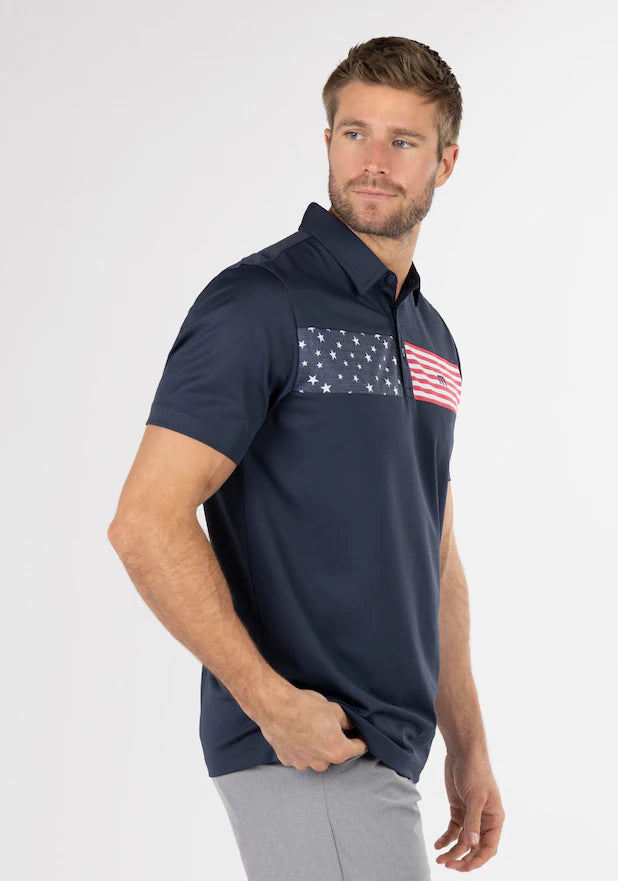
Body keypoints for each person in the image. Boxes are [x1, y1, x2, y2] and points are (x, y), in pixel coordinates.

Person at [108, 35, 504, 880]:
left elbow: (433, 549)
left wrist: (467, 743)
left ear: (446, 162)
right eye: (354, 133)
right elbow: (145, 520)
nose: (373, 162)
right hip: (309, 746)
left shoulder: (432, 338)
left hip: (387, 748)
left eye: (403, 141)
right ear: (327, 141)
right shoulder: (260, 303)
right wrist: (271, 703)